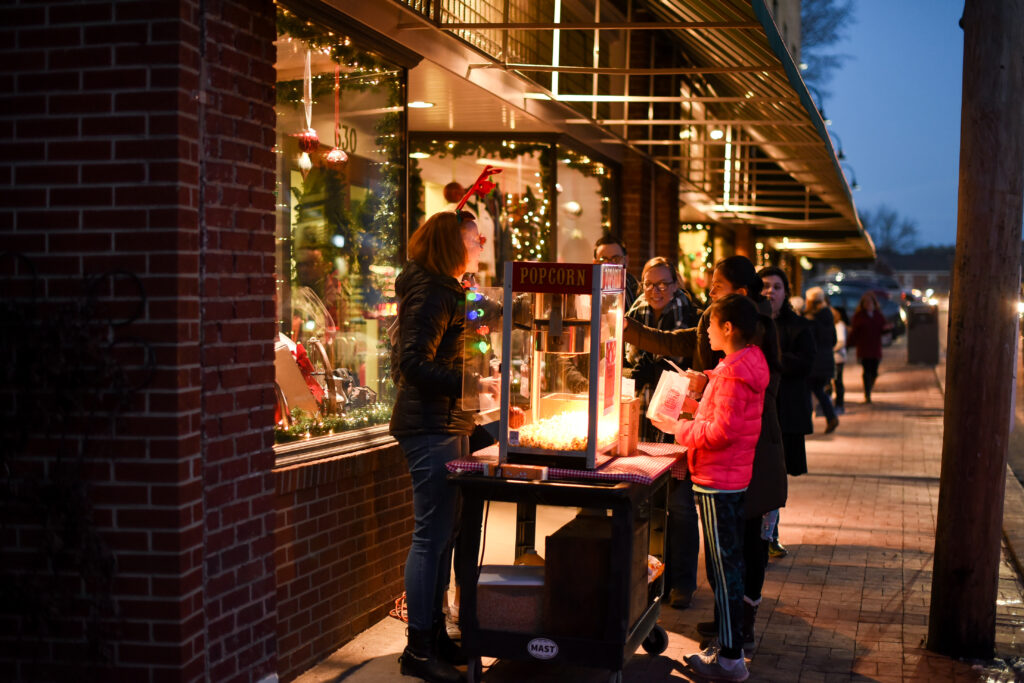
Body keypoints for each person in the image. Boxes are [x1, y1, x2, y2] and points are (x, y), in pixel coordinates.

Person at [624, 256, 786, 629]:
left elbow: (726, 422)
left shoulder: (748, 349)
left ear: (739, 296)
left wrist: (683, 423)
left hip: (744, 463)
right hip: (728, 463)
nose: (709, 291)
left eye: (717, 285)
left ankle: (735, 632)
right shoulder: (730, 345)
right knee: (725, 552)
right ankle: (728, 622)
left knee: (740, 549)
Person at [654, 294, 769, 682]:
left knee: (723, 570)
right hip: (725, 477)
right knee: (725, 568)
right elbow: (724, 417)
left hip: (720, 481)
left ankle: (731, 660)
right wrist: (702, 387)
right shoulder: (736, 367)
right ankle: (726, 647)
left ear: (728, 328)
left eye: (711, 323)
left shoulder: (737, 374)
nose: (705, 329)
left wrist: (679, 430)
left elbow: (722, 431)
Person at [390, 209, 484, 683]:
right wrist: (471, 384)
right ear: (453, 242)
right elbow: (413, 363)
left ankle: (436, 635)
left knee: (444, 533)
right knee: (431, 536)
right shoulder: (432, 291)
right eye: (474, 236)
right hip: (430, 426)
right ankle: (418, 648)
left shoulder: (446, 289)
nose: (481, 243)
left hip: (448, 421)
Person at [759, 266, 815, 560]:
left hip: (787, 411)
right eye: (765, 286)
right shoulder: (752, 323)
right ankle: (760, 533)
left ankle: (771, 534)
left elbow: (807, 364)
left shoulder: (800, 326)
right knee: (759, 473)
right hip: (757, 411)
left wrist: (773, 360)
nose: (770, 291)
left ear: (786, 291)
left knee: (778, 474)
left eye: (776, 286)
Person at [625, 256, 699, 443]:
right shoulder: (630, 317)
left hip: (679, 413)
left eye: (662, 284)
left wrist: (656, 373)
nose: (654, 291)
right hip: (637, 409)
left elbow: (696, 371)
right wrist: (634, 375)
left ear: (675, 285)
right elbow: (620, 364)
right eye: (648, 284)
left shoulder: (692, 317)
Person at [803, 287, 839, 434]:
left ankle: (806, 423)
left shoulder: (810, 319)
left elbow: (808, 343)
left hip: (814, 363)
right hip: (827, 362)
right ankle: (830, 417)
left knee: (806, 392)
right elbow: (834, 340)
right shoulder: (829, 317)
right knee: (818, 390)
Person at [848, 291, 891, 404]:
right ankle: (867, 393)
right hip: (864, 348)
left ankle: (869, 388)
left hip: (875, 347)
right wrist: (849, 344)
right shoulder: (859, 316)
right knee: (866, 371)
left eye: (870, 302)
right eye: (866, 303)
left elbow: (883, 328)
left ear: (874, 303)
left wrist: (888, 328)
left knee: (874, 372)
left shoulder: (878, 315)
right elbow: (855, 331)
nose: (868, 305)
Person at [594, 233, 641, 312]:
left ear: (626, 260)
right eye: (603, 260)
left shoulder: (636, 288)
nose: (610, 264)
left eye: (615, 259)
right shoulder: (589, 290)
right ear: (595, 262)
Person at [832, 307, 848, 414]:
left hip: (838, 357)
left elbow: (841, 342)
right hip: (834, 357)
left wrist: (830, 350)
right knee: (835, 381)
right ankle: (837, 404)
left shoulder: (839, 325)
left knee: (838, 381)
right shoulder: (834, 325)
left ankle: (839, 404)